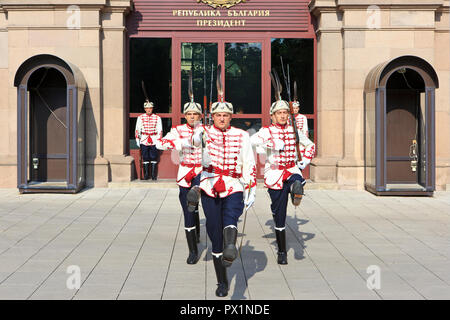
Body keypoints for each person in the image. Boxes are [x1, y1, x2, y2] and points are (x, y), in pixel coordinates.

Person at [191, 65, 256, 297]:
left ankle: (231, 244)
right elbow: (195, 143)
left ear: (231, 117)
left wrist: (251, 188)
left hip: (234, 185)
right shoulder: (204, 132)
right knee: (213, 232)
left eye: (225, 115)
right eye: (218, 115)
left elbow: (249, 161)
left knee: (231, 218)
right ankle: (222, 280)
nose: (221, 118)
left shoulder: (241, 135)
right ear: (213, 116)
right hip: (209, 184)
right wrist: (199, 132)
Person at [250, 71, 315, 265]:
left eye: (285, 112)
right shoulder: (266, 130)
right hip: (275, 173)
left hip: (292, 169)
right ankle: (282, 251)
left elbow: (310, 145)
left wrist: (305, 161)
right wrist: (270, 145)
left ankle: (297, 190)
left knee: (297, 181)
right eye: (280, 113)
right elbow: (252, 142)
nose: (283, 115)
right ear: (272, 115)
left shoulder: (294, 129)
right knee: (279, 215)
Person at [156, 74, 203, 264]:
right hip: (185, 171)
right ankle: (193, 249)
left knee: (197, 198)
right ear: (185, 115)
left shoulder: (206, 130)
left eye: (196, 114)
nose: (192, 117)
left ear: (200, 116)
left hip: (202, 171)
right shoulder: (177, 129)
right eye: (189, 114)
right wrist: (182, 142)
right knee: (188, 209)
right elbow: (161, 143)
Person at [135, 100, 162, 180]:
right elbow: (137, 129)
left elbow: (159, 129)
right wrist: (137, 139)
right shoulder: (140, 118)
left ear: (152, 108)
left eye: (150, 108)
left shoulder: (157, 118)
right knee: (145, 157)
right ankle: (146, 175)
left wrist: (158, 140)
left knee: (154, 157)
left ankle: (153, 175)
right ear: (145, 109)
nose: (149, 110)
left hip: (154, 139)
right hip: (144, 139)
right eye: (147, 108)